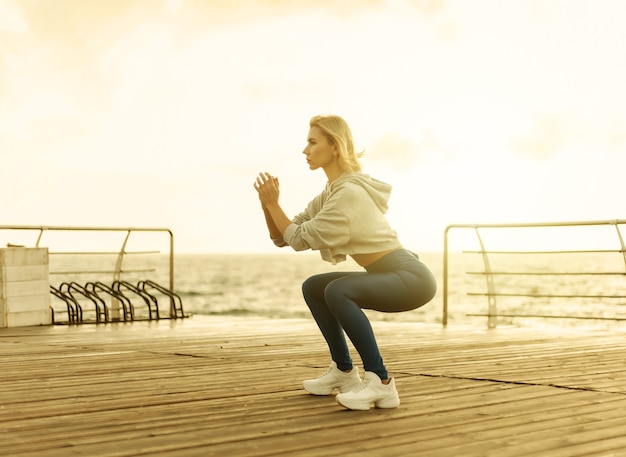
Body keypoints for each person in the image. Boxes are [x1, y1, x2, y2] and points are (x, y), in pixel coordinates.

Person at [253, 114, 436, 411]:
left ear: (334, 147)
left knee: (338, 290)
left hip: (411, 278)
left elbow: (299, 238)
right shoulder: (330, 193)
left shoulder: (348, 194)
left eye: (312, 142)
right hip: (388, 272)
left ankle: (382, 382)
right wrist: (267, 205)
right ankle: (345, 371)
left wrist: (275, 205)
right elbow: (284, 237)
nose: (305, 150)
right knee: (315, 287)